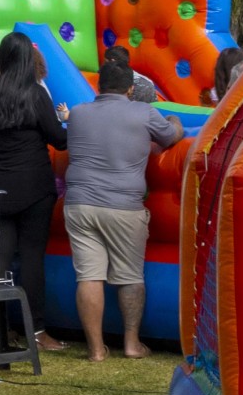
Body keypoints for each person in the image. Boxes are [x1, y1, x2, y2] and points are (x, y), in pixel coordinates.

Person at [63, 60, 183, 359]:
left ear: (99, 86)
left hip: (80, 203)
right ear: (130, 88)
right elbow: (171, 136)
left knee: (88, 276)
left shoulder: (78, 113)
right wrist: (175, 120)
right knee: (130, 276)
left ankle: (96, 350)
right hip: (123, 204)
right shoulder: (143, 112)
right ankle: (131, 344)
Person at [0, 31, 67, 354]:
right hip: (34, 187)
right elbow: (58, 140)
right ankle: (37, 331)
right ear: (28, 60)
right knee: (31, 258)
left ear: (2, 58)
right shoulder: (36, 93)